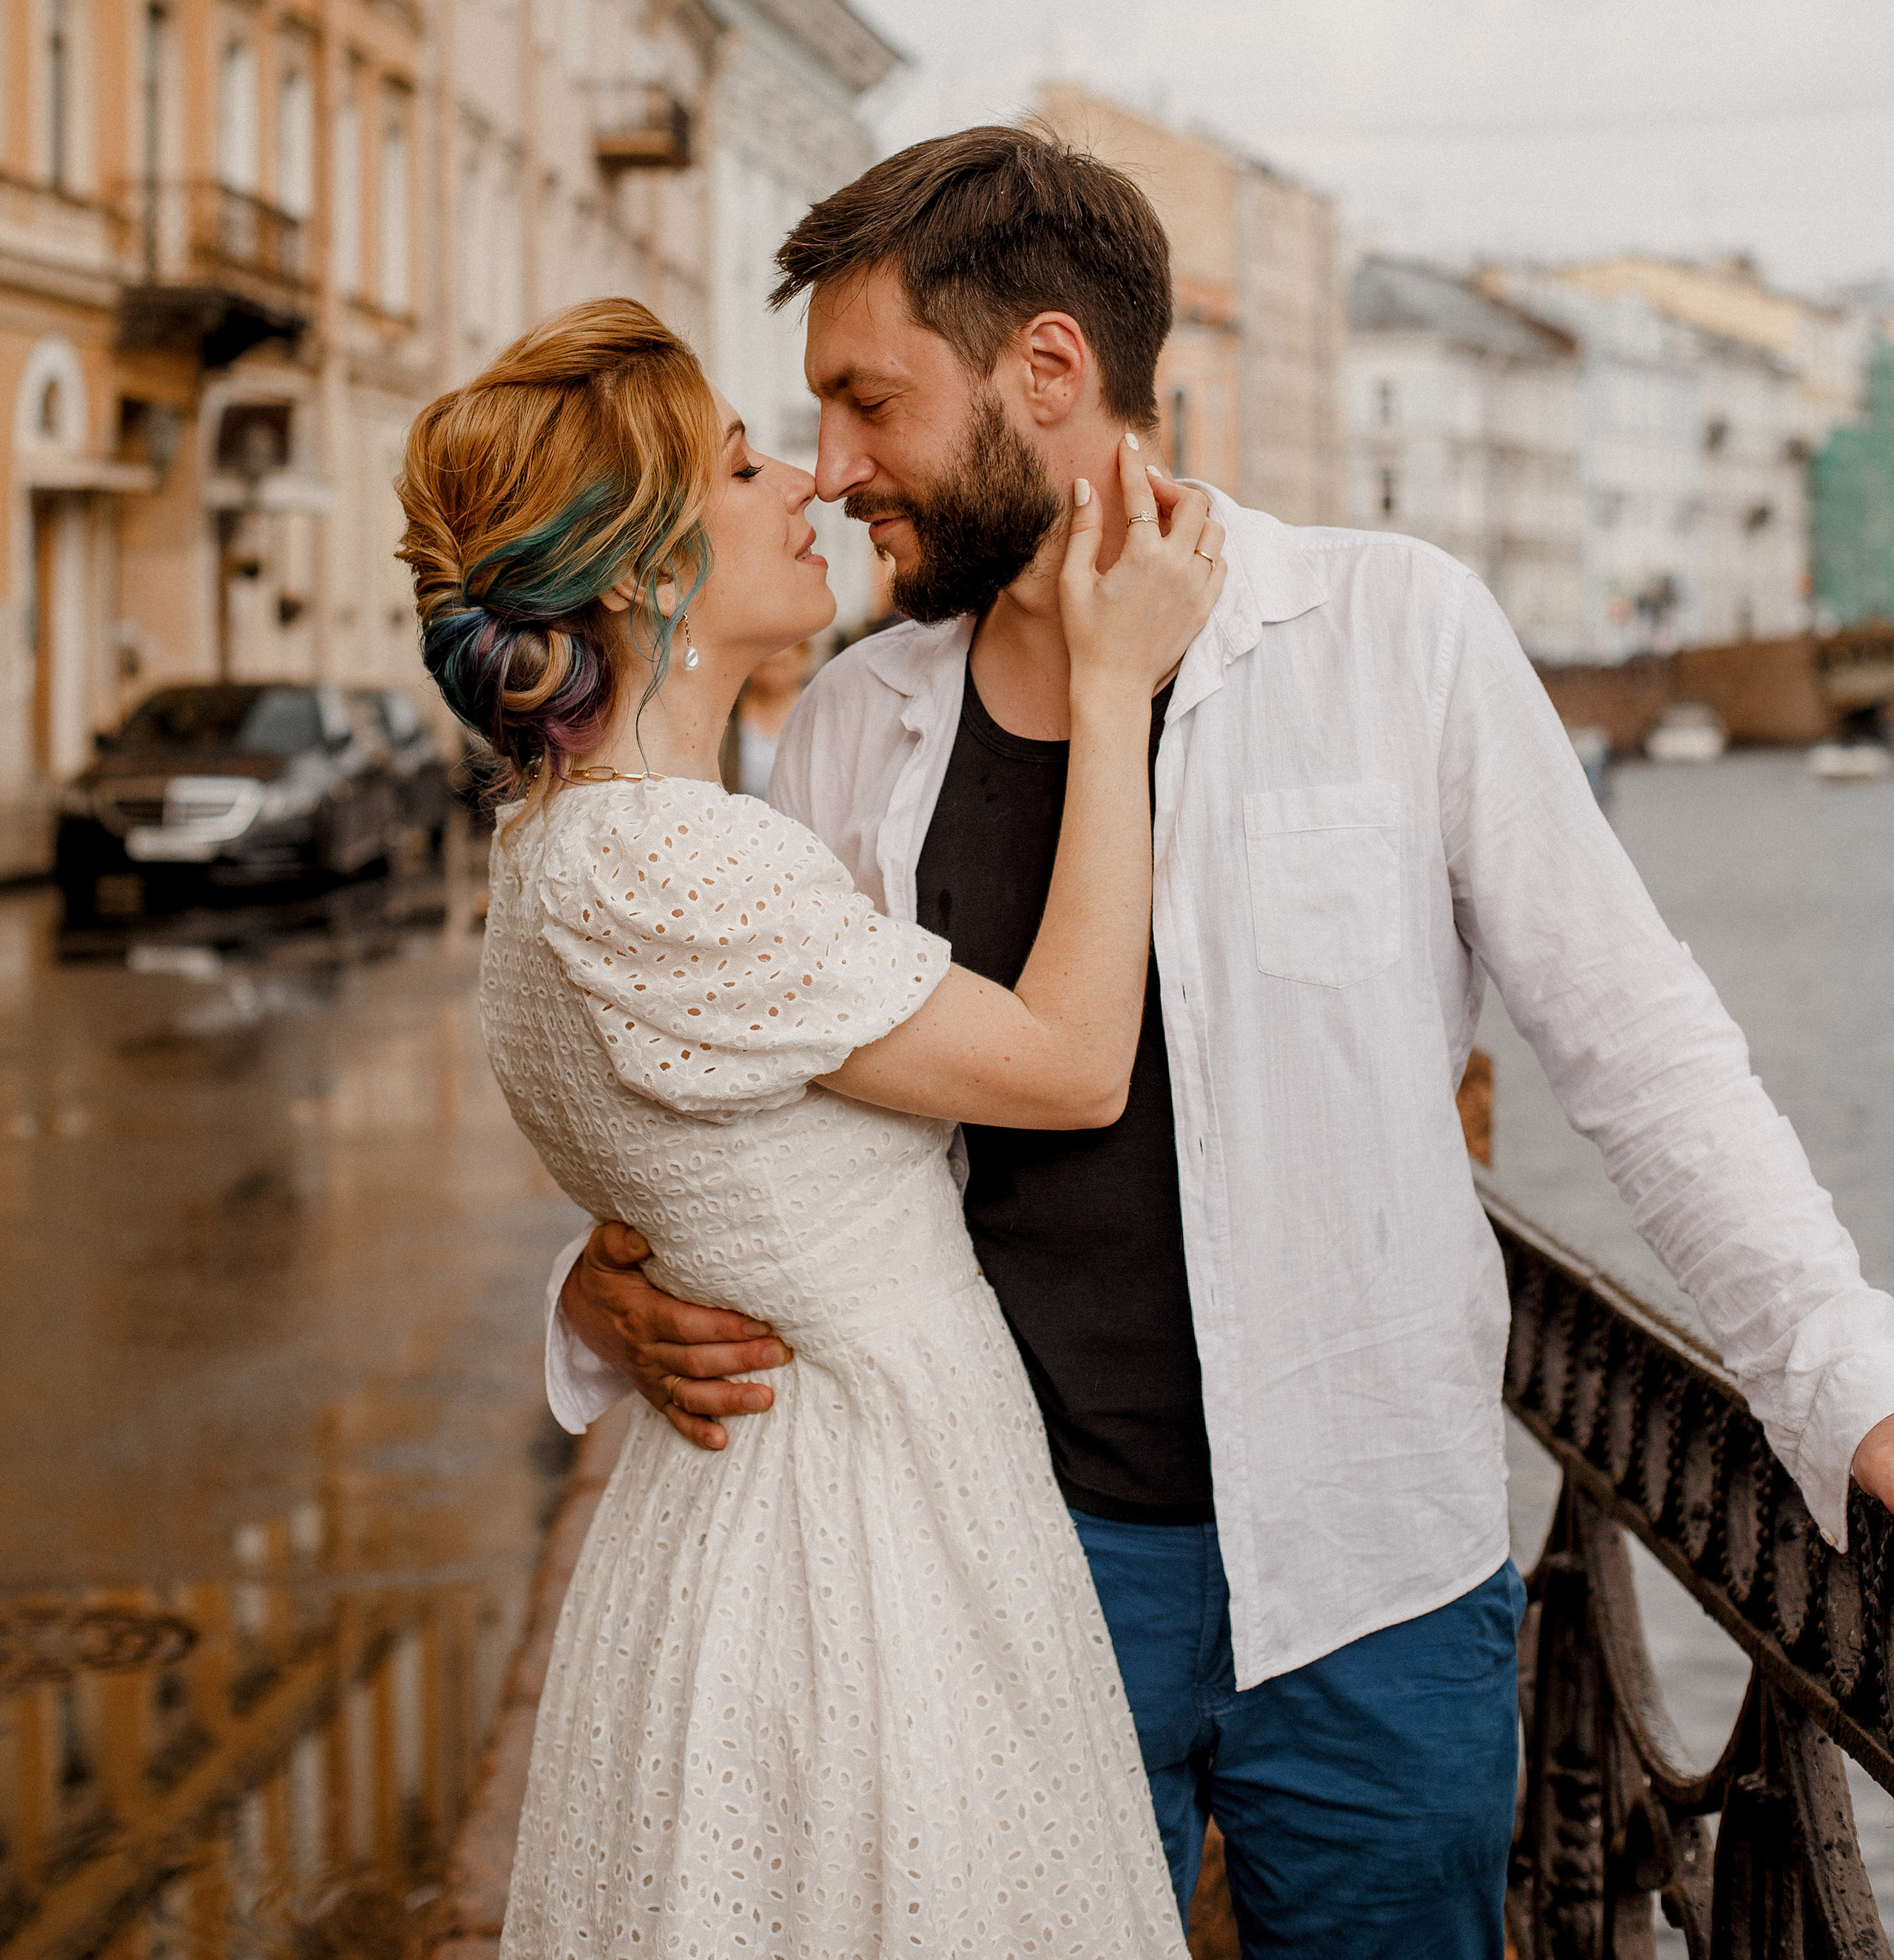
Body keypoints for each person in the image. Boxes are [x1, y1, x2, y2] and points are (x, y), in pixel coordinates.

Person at [553, 128, 1894, 1960]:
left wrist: (1847, 1381)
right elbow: (767, 1100)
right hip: (998, 1558)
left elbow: (1639, 1048)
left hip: (1371, 1573)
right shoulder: (860, 718)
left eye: (869, 401)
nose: (835, 467)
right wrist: (598, 1290)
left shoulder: (1390, 631)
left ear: (1046, 371)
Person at [396, 297, 1224, 1960]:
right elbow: (1070, 1065)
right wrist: (1116, 685)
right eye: (741, 460)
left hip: (755, 1505)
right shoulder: (672, 856)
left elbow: (703, 1157)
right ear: (640, 571)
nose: (805, 485)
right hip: (859, 1537)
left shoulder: (573, 850)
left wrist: (594, 1291)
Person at [718, 634, 812, 798]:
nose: (773, 675)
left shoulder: (816, 714)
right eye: (764, 665)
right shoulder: (728, 713)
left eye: (784, 664)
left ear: (803, 660)